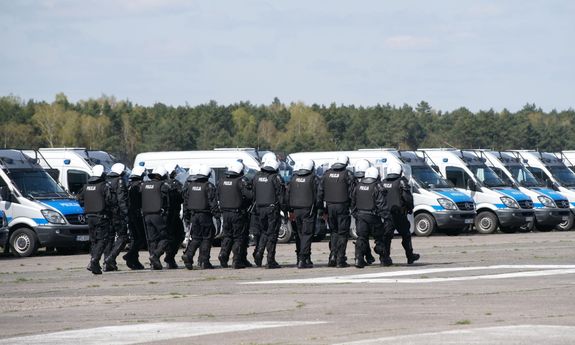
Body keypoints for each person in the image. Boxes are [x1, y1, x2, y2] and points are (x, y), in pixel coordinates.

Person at [318, 155, 355, 267]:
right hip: (342, 207)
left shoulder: (326, 174)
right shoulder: (348, 174)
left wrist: (321, 209)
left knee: (334, 232)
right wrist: (353, 207)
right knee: (343, 233)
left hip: (330, 207)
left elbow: (320, 192)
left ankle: (332, 256)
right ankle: (340, 259)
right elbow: (352, 193)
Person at [380, 162, 420, 266]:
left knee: (387, 237)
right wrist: (410, 208)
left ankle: (385, 258)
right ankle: (410, 256)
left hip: (387, 215)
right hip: (399, 214)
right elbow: (407, 198)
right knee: (406, 235)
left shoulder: (383, 182)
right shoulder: (401, 182)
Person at [181, 164, 219, 270]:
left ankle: (188, 255)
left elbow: (186, 202)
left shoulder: (190, 185)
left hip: (194, 216)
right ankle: (204, 261)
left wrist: (186, 216)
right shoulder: (209, 186)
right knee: (207, 238)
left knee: (196, 238)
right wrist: (217, 215)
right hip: (205, 215)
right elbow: (213, 203)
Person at [217, 160, 253, 269]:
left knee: (227, 236)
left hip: (225, 214)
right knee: (239, 237)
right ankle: (236, 261)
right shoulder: (240, 181)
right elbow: (250, 196)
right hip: (238, 214)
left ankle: (223, 255)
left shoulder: (221, 181)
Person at [77, 165, 112, 275]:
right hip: (101, 217)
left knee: (93, 241)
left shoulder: (86, 186)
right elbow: (110, 200)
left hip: (90, 217)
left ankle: (93, 264)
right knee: (102, 240)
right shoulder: (104, 186)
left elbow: (79, 198)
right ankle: (94, 260)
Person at [252, 154, 285, 269]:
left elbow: (253, 194)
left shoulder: (256, 177)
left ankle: (259, 253)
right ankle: (270, 260)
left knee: (264, 233)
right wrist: (285, 210)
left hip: (259, 209)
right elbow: (281, 196)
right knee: (272, 234)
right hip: (272, 210)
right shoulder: (276, 178)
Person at [351, 167, 386, 268]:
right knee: (379, 238)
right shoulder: (377, 186)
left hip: (360, 216)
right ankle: (384, 259)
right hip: (373, 216)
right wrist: (385, 216)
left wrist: (355, 214)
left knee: (361, 238)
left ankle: (358, 259)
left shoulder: (358, 186)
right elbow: (381, 203)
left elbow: (353, 201)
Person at [287, 158, 319, 269]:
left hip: (296, 210)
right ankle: (303, 259)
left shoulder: (294, 179)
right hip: (308, 210)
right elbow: (317, 196)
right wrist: (319, 208)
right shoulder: (313, 179)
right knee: (307, 234)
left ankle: (304, 258)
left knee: (300, 235)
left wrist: (290, 210)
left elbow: (288, 195)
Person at [141, 166, 171, 270]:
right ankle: (156, 256)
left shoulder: (144, 185)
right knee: (165, 238)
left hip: (146, 216)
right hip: (158, 215)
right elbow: (167, 203)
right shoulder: (162, 186)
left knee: (152, 240)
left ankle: (154, 263)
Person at [103, 163, 129, 271]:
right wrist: (126, 214)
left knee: (109, 238)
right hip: (117, 214)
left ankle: (108, 263)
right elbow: (121, 199)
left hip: (106, 214)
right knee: (123, 237)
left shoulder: (105, 180)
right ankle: (110, 258)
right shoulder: (119, 181)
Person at [352, 159, 376, 266]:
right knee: (373, 236)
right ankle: (379, 257)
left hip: (359, 212)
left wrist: (354, 212)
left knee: (362, 236)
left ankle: (364, 257)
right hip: (371, 213)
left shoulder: (353, 180)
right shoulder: (372, 182)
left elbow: (352, 198)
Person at [122, 166, 146, 270]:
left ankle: (134, 260)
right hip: (136, 215)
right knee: (142, 238)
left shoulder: (128, 185)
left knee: (135, 239)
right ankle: (130, 255)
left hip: (130, 215)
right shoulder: (139, 186)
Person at [163, 163, 185, 269]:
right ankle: (169, 258)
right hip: (173, 215)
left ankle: (161, 259)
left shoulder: (160, 183)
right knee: (178, 236)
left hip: (162, 215)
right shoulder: (175, 183)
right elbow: (182, 197)